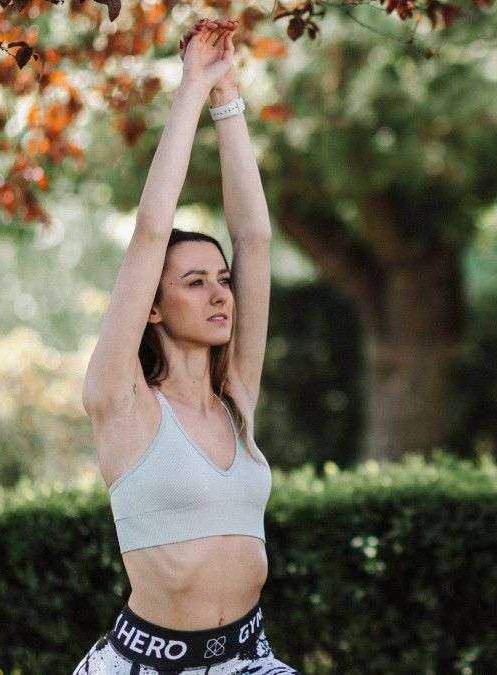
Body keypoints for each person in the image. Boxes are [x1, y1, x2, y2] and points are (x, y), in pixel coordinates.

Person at [73, 18, 296, 675]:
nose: (221, 294)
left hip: (247, 658)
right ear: (150, 306)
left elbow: (253, 239)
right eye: (195, 283)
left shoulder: (237, 400)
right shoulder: (120, 401)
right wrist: (190, 90)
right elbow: (149, 232)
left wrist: (229, 96)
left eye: (221, 281)